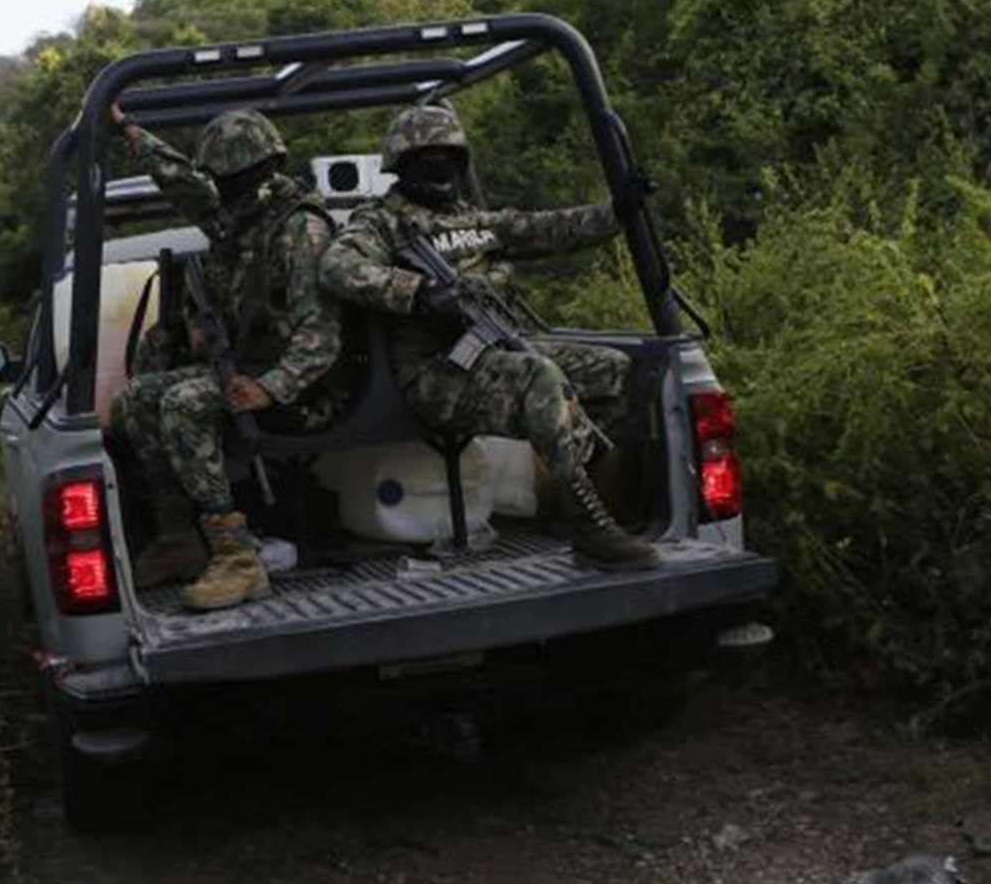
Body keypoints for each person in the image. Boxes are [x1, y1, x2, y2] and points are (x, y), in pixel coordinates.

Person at [319, 104, 659, 571]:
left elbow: (549, 229)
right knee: (538, 375)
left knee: (610, 369)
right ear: (400, 164)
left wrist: (617, 209)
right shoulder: (382, 224)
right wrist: (420, 293)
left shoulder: (475, 221)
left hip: (495, 349)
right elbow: (338, 267)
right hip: (437, 373)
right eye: (425, 157)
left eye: (447, 155)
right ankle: (590, 531)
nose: (438, 165)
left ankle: (597, 503)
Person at [106, 104, 344, 610]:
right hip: (251, 376)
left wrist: (270, 386)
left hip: (306, 390)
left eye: (233, 179)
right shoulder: (239, 221)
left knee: (182, 403)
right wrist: (131, 131)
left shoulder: (300, 230)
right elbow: (182, 182)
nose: (223, 190)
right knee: (135, 400)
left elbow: (322, 334)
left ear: (261, 173)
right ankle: (179, 538)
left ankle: (237, 558)